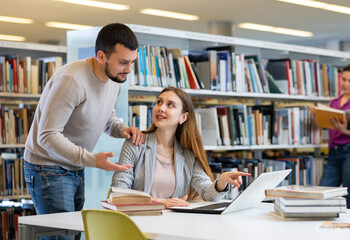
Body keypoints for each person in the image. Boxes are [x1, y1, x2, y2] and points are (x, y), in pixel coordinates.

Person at [23, 23, 145, 239]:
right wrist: (91, 159)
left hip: (75, 167)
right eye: (123, 62)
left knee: (75, 234)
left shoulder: (114, 79)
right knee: (61, 237)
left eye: (132, 62)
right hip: (48, 168)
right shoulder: (72, 80)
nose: (129, 69)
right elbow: (47, 136)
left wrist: (123, 129)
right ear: (101, 56)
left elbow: (108, 117)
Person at [112, 87, 250, 207]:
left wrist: (222, 181)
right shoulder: (135, 144)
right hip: (138, 222)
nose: (161, 108)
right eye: (159, 102)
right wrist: (160, 202)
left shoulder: (188, 154)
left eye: (170, 105)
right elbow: (118, 194)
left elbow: (208, 194)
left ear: (183, 117)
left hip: (174, 223)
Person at [314, 63, 350, 209]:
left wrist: (344, 130)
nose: (345, 84)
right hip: (334, 152)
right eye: (343, 79)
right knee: (322, 194)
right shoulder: (334, 102)